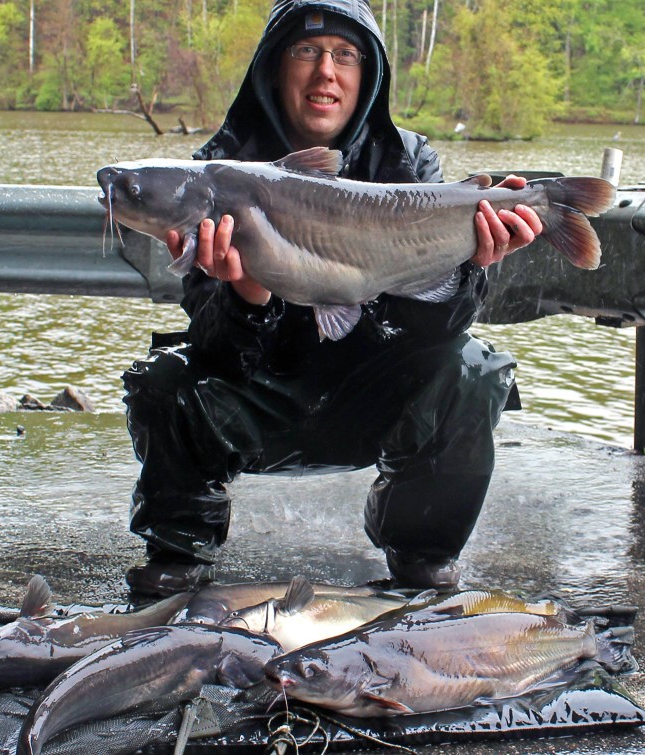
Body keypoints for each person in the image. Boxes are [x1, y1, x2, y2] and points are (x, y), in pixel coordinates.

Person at [122, 0, 543, 597]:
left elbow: (438, 333)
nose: (326, 72)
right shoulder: (214, 170)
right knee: (162, 379)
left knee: (473, 369)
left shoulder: (407, 162)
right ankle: (180, 548)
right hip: (258, 401)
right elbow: (213, 351)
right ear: (273, 68)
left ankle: (420, 547)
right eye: (307, 51)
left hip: (369, 396)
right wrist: (247, 290)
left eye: (345, 55)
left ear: (368, 76)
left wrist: (472, 265)